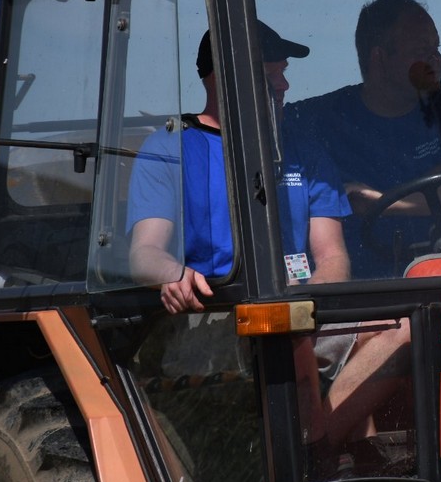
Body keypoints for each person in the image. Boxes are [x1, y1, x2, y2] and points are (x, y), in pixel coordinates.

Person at [127, 20, 352, 314]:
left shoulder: (305, 151)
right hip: (214, 310)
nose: (285, 85)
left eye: (283, 72)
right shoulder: (169, 149)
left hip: (302, 310)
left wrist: (309, 306)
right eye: (271, 75)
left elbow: (333, 257)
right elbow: (144, 253)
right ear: (225, 80)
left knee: (404, 330)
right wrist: (174, 274)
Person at [285, 0, 441, 277]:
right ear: (379, 57)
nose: (435, 58)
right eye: (421, 50)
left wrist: (378, 202)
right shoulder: (311, 120)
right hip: (364, 297)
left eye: (436, 48)